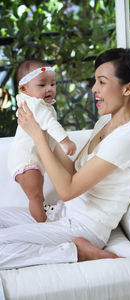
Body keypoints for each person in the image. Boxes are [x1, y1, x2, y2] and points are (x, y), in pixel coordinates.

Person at [0, 48, 130, 269]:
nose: (94, 89)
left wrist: (38, 137)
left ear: (128, 87)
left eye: (102, 82)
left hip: (85, 227)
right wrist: (47, 129)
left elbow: (68, 190)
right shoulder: (106, 122)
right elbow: (71, 170)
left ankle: (77, 251)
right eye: (95, 81)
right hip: (63, 212)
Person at [7, 60, 76, 222]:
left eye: (53, 84)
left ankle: (42, 216)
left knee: (38, 197)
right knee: (36, 197)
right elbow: (50, 123)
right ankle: (43, 225)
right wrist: (65, 141)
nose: (49, 89)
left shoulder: (38, 104)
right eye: (42, 85)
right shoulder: (35, 104)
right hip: (26, 160)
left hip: (28, 160)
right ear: (24, 89)